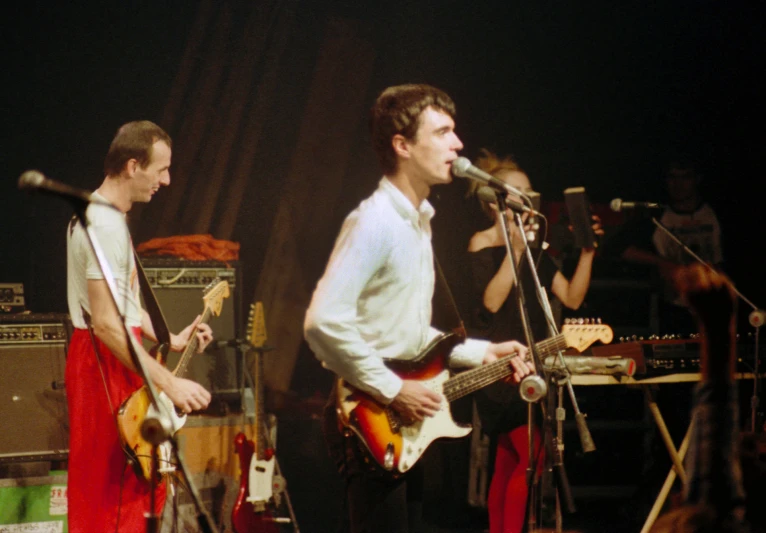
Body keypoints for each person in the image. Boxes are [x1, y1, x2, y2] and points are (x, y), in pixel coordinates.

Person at [303, 84, 535, 533]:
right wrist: (392, 389)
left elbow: (408, 333)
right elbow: (322, 322)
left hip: (400, 424)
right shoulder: (376, 221)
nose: (458, 144)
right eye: (444, 132)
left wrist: (481, 352)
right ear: (403, 145)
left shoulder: (417, 222)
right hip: (372, 419)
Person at [65, 120, 214, 532]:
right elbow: (108, 327)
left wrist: (167, 337)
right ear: (133, 166)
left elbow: (123, 304)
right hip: (103, 364)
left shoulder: (107, 216)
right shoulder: (104, 224)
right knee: (114, 494)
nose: (165, 181)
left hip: (114, 357)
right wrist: (170, 383)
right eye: (160, 169)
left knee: (136, 486)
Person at [465, 149, 603, 533]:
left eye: (530, 191)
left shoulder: (535, 247)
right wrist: (519, 246)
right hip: (499, 369)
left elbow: (571, 297)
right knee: (533, 458)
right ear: (494, 201)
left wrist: (588, 251)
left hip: (532, 366)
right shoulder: (482, 242)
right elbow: (491, 301)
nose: (527, 198)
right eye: (517, 191)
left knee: (511, 461)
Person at [649, 264, 750, 533]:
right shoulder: (718, 518)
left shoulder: (705, 517)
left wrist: (715, 326)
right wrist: (717, 326)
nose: (677, 497)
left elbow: (716, 411)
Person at [608, 158, 723, 334]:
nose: (678, 184)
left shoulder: (715, 213)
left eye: (685, 177)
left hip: (713, 303)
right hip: (674, 308)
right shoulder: (658, 215)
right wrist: (664, 263)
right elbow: (617, 247)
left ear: (698, 179)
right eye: (672, 177)